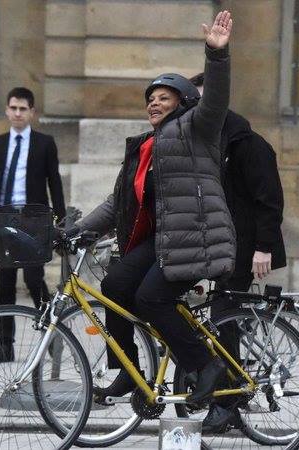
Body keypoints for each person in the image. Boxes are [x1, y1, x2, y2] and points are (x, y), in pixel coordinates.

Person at [73, 10, 236, 412]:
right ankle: (129, 370)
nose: (154, 103)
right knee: (113, 287)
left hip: (195, 239)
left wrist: (216, 55)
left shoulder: (197, 129)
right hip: (163, 241)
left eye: (164, 98)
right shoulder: (147, 147)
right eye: (150, 99)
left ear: (183, 103)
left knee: (149, 299)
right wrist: (77, 229)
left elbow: (215, 101)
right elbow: (118, 204)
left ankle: (206, 364)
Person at [188, 73, 286, 431]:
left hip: (244, 249)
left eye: (201, 101)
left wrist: (264, 248)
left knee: (221, 322)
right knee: (209, 319)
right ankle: (211, 385)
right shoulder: (205, 142)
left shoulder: (247, 143)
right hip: (216, 246)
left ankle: (227, 402)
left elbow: (270, 201)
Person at [0, 87, 66, 363]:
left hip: (32, 221)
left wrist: (60, 222)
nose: (17, 113)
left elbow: (55, 183)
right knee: (4, 286)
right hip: (3, 220)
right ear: (6, 110)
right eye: (13, 108)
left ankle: (50, 336)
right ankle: (5, 345)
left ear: (31, 112)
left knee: (34, 280)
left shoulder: (44, 143)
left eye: (22, 109)